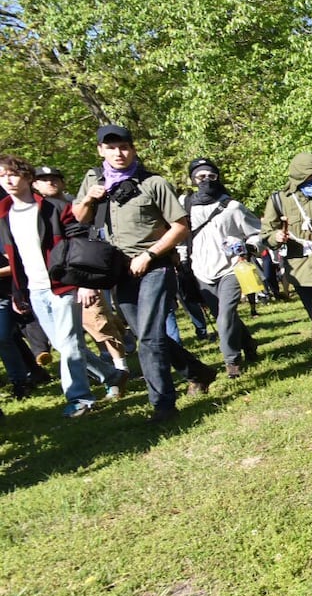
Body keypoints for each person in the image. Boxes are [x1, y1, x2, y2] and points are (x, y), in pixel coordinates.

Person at [74, 126, 217, 423]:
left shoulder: (153, 183)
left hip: (156, 266)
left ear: (133, 149)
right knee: (147, 335)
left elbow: (180, 226)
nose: (118, 153)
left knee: (150, 339)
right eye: (111, 147)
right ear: (101, 150)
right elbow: (79, 219)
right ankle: (199, 372)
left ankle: (163, 405)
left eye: (124, 146)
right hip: (120, 272)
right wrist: (88, 199)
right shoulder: (93, 180)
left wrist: (149, 254)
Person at [0, 155, 122, 416]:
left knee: (68, 342)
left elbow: (80, 243)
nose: (8, 180)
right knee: (63, 344)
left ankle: (79, 399)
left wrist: (85, 284)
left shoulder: (53, 208)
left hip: (63, 285)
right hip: (34, 289)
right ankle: (112, 375)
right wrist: (18, 291)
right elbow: (14, 256)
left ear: (28, 178)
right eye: (2, 176)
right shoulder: (4, 213)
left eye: (12, 174)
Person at [33, 165, 133, 381]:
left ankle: (120, 369)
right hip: (49, 281)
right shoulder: (33, 211)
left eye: (54, 178)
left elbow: (87, 246)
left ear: (63, 182)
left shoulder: (74, 206)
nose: (50, 182)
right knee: (67, 338)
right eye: (43, 179)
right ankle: (111, 371)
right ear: (35, 184)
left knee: (99, 322)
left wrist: (87, 283)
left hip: (83, 276)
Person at [185, 158, 262, 378]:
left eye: (211, 176)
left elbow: (257, 232)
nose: (206, 181)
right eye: (201, 177)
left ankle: (231, 361)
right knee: (224, 315)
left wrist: (249, 247)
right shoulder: (186, 205)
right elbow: (181, 236)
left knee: (225, 315)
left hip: (232, 268)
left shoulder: (232, 206)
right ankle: (249, 344)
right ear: (192, 179)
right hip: (201, 270)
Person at [263, 152, 312, 318]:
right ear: (299, 177)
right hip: (301, 269)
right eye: (310, 177)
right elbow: (266, 234)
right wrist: (275, 237)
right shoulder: (279, 200)